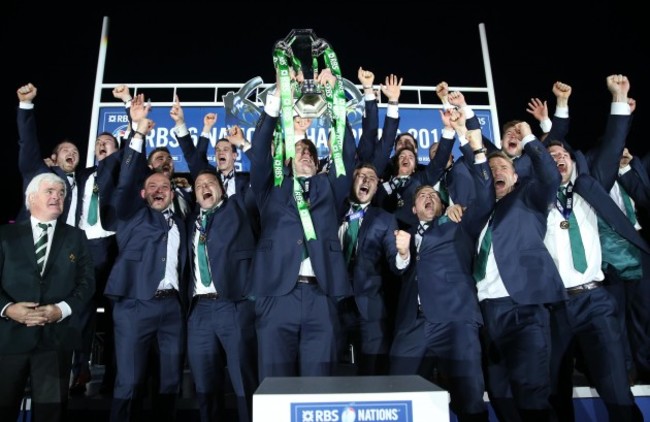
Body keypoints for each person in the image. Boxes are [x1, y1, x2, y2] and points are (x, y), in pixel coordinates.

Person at [543, 74, 647, 421]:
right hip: (553, 307)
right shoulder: (533, 200)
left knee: (616, 388)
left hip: (595, 302)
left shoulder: (590, 189)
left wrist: (619, 98)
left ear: (574, 162)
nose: (557, 157)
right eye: (550, 155)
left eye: (562, 154)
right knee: (554, 394)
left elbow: (613, 145)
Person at [249, 68, 356, 380]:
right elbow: (258, 154)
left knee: (319, 389)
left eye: (310, 152)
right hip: (276, 294)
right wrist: (275, 102)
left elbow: (346, 155)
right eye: (299, 151)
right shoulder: (271, 187)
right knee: (274, 387)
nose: (306, 155)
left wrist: (337, 100)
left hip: (321, 297)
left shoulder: (331, 189)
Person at [390, 127, 493, 422]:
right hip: (412, 326)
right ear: (412, 207)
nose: (427, 197)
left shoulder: (458, 224)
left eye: (433, 194)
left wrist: (474, 150)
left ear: (443, 204)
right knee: (398, 399)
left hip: (455, 321)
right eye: (421, 194)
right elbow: (396, 270)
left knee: (470, 402)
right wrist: (403, 254)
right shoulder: (401, 234)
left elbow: (485, 197)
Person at [476, 122, 567, 421]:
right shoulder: (479, 216)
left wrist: (528, 137)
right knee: (501, 397)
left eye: (502, 166)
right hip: (488, 316)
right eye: (490, 169)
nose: (496, 172)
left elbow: (550, 175)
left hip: (522, 310)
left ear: (516, 175)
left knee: (531, 398)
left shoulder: (528, 197)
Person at [104, 117, 188, 422]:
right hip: (134, 305)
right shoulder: (130, 215)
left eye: (164, 187)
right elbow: (126, 179)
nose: (158, 190)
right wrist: (138, 133)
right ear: (142, 194)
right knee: (128, 382)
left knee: (169, 383)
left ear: (171, 193)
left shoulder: (181, 223)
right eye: (151, 186)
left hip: (172, 310)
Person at [0, 172, 95, 422]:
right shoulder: (5, 236)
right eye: (50, 192)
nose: (57, 197)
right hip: (9, 339)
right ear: (30, 198)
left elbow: (87, 283)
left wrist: (61, 309)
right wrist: (8, 308)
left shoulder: (76, 237)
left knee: (51, 414)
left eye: (61, 193)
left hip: (55, 341)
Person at [185, 168, 258, 422]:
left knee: (243, 384)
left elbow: (259, 181)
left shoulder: (239, 207)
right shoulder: (191, 221)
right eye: (199, 185)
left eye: (210, 182)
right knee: (205, 388)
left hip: (233, 305)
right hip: (199, 312)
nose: (205, 186)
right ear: (194, 196)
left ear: (222, 188)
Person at [337, 162, 409, 375]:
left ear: (377, 188)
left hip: (369, 307)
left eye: (372, 177)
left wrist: (403, 253)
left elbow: (394, 262)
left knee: (373, 374)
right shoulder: (333, 210)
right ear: (352, 180)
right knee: (328, 374)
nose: (366, 179)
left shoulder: (385, 219)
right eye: (361, 175)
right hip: (332, 305)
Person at [16, 83, 82, 226]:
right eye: (65, 150)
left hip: (66, 243)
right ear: (54, 158)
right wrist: (26, 104)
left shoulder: (83, 181)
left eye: (75, 151)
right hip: (30, 241)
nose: (71, 152)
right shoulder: (38, 171)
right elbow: (28, 142)